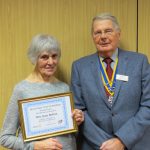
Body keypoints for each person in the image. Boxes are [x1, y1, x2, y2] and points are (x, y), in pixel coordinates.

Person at [71, 13, 150, 150]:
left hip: (134, 144)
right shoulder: (79, 67)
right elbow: (79, 110)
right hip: (95, 145)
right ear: (93, 37)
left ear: (118, 34)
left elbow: (148, 105)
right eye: (97, 32)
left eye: (108, 31)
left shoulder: (139, 62)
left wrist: (122, 141)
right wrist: (106, 145)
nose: (103, 36)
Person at [0, 34, 84, 150]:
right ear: (34, 58)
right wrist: (34, 146)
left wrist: (76, 122)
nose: (51, 62)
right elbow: (5, 138)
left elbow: (71, 134)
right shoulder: (21, 89)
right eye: (44, 57)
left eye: (54, 56)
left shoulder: (64, 87)